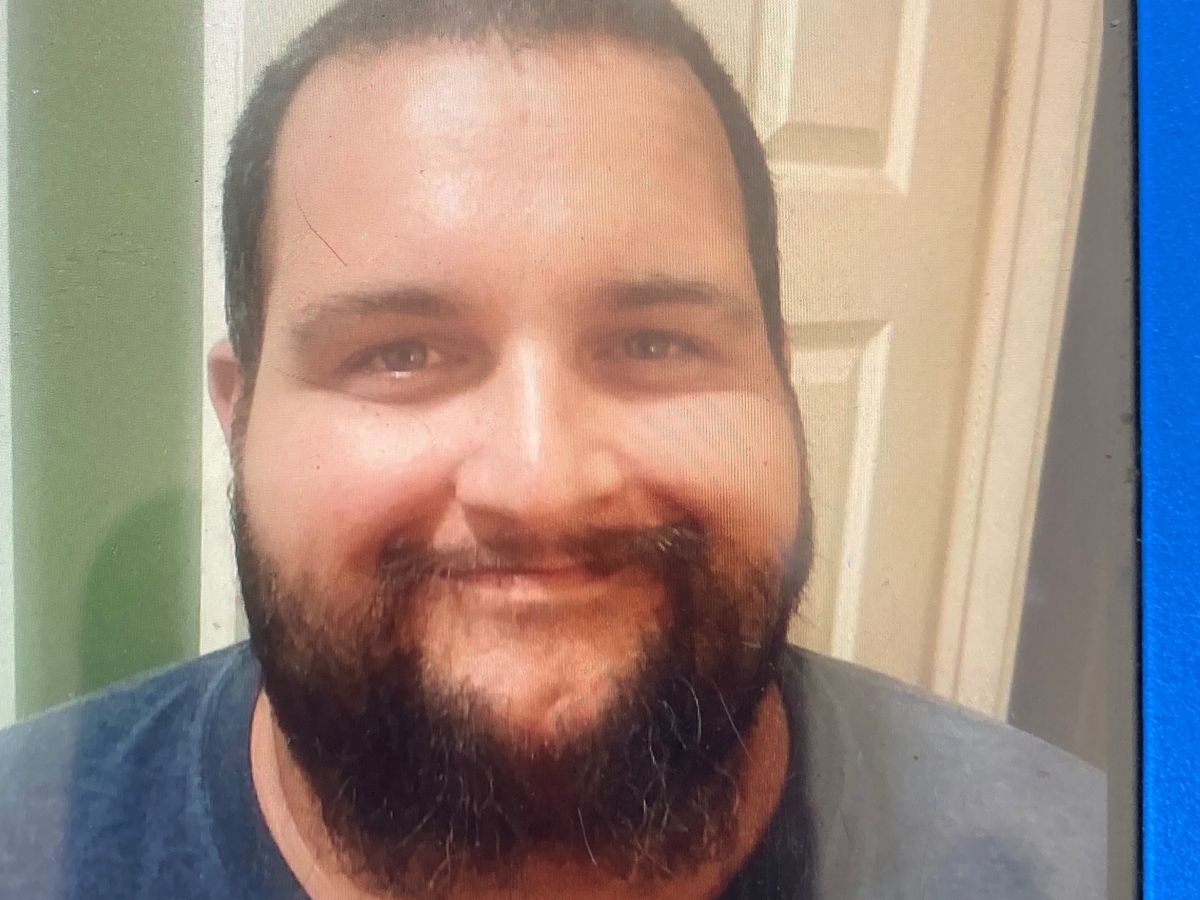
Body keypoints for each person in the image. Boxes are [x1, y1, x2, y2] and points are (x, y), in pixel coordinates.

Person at [0, 1, 1104, 897]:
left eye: (656, 341)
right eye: (400, 353)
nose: (540, 482)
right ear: (240, 416)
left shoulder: (1088, 861)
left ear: (779, 377)